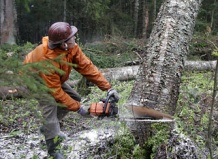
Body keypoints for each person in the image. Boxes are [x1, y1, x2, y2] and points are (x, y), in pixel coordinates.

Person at [23, 22, 119, 159]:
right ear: (63, 44)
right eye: (72, 37)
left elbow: (86, 67)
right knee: (50, 107)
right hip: (35, 80)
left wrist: (108, 87)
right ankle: (53, 150)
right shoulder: (46, 60)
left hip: (53, 80)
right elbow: (56, 92)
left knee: (74, 99)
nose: (75, 38)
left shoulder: (71, 48)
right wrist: (79, 109)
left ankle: (49, 129)